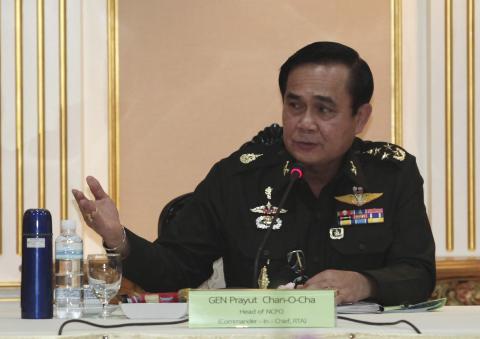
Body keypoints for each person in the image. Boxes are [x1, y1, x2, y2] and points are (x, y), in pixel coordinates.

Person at [73, 41, 436, 306]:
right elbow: (175, 269)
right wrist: (118, 238)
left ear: (360, 118)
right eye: (295, 106)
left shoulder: (391, 174)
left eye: (324, 110)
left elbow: (418, 273)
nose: (305, 123)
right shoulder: (238, 178)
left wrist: (365, 283)